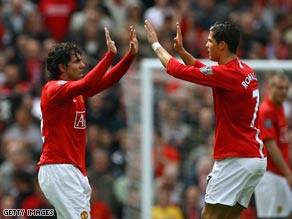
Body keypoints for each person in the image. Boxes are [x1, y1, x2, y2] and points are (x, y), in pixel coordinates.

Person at [144, 20, 267, 219]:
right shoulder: (245, 71)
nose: (206, 45)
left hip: (235, 158)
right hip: (255, 158)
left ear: (222, 45)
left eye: (210, 41)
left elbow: (176, 70)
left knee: (208, 215)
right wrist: (183, 52)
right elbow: (203, 70)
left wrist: (155, 44)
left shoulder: (226, 74)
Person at [37, 26, 138, 219]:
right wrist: (109, 55)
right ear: (62, 68)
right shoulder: (53, 90)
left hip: (72, 170)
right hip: (60, 168)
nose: (83, 65)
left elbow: (108, 80)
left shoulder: (76, 92)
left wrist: (130, 56)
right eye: (77, 61)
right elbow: (89, 83)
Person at [254, 72, 292, 219]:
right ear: (270, 88)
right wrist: (288, 173)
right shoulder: (266, 111)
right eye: (280, 88)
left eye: (286, 88)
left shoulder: (280, 107)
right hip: (269, 174)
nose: (283, 92)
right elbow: (270, 146)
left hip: (280, 173)